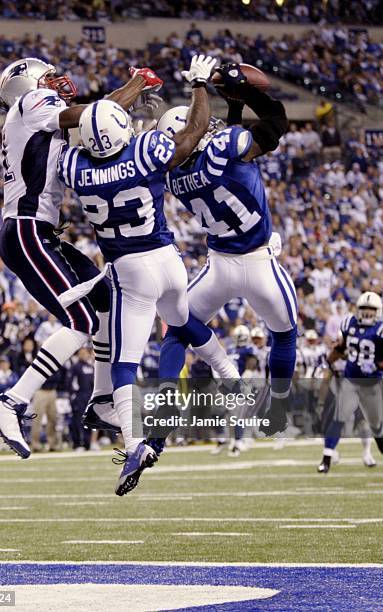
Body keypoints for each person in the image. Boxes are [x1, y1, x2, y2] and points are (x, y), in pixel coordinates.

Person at [58, 55, 242, 495]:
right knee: (180, 322)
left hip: (130, 271)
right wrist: (198, 86)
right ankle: (225, 366)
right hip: (168, 260)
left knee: (123, 364)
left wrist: (118, 102)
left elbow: (83, 129)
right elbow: (194, 131)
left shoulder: (74, 168)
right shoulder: (147, 150)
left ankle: (135, 442)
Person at [0, 57, 162, 459]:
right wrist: (136, 84)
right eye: (46, 76)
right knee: (79, 320)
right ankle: (10, 401)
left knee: (104, 305)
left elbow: (99, 117)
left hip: (39, 231)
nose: (55, 81)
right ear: (28, 83)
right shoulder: (30, 104)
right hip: (27, 229)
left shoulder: (40, 117)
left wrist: (129, 92)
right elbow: (96, 114)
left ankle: (101, 401)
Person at [157, 62, 297, 436]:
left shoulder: (173, 175)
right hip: (259, 263)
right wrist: (247, 93)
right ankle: (279, 407)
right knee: (284, 333)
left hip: (219, 266)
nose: (205, 124)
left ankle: (167, 397)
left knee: (176, 330)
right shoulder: (223, 147)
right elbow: (275, 121)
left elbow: (213, 141)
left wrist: (230, 107)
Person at [317, 292, 383, 473]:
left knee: (376, 426)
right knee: (339, 416)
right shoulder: (349, 324)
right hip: (351, 380)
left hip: (372, 385)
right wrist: (328, 362)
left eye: (371, 309)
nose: (368, 313)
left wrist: (377, 365)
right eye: (364, 309)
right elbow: (341, 348)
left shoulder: (380, 329)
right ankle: (326, 459)